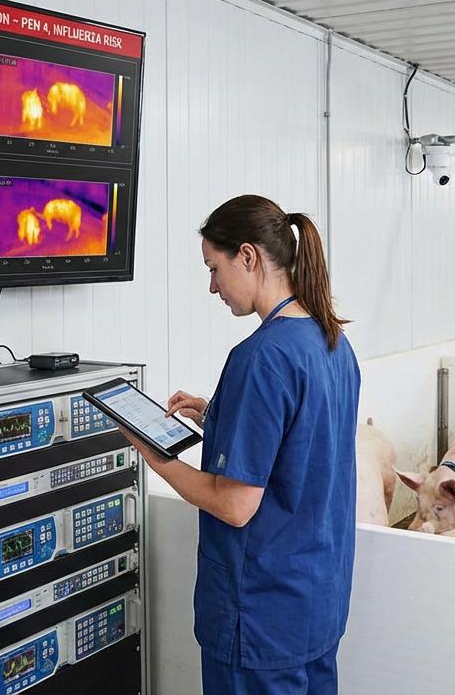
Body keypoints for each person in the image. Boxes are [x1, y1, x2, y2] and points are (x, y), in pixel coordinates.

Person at [120, 194, 360, 695]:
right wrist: (218, 413)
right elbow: (303, 444)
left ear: (247, 256)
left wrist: (155, 456)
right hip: (316, 602)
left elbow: (234, 506)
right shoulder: (332, 342)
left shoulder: (261, 358)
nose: (212, 286)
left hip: (259, 616)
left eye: (214, 268)